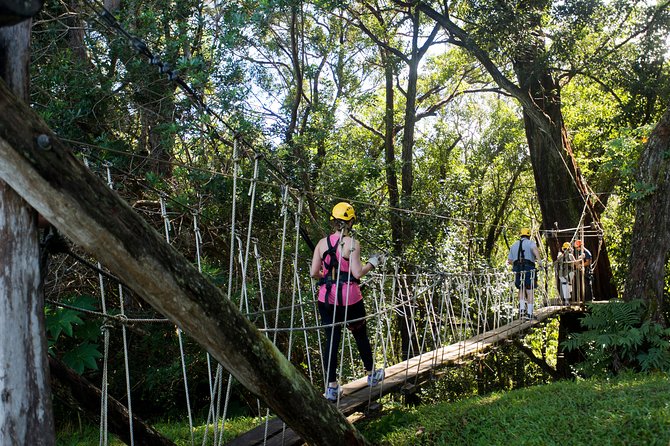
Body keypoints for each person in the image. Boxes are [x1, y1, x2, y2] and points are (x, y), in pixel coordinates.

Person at [310, 202, 385, 402]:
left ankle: (332, 387)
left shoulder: (321, 243)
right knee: (360, 334)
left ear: (333, 222)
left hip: (326, 299)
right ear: (351, 221)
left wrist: (328, 278)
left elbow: (313, 273)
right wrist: (373, 263)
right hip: (350, 300)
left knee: (332, 340)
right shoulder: (352, 244)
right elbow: (357, 273)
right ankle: (371, 374)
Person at [507, 227, 542, 319]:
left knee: (521, 289)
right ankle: (530, 313)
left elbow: (510, 261)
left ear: (520, 235)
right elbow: (535, 251)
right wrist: (539, 262)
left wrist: (516, 263)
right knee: (529, 291)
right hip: (528, 268)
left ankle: (522, 311)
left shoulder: (513, 245)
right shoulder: (531, 243)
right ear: (528, 235)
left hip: (517, 269)